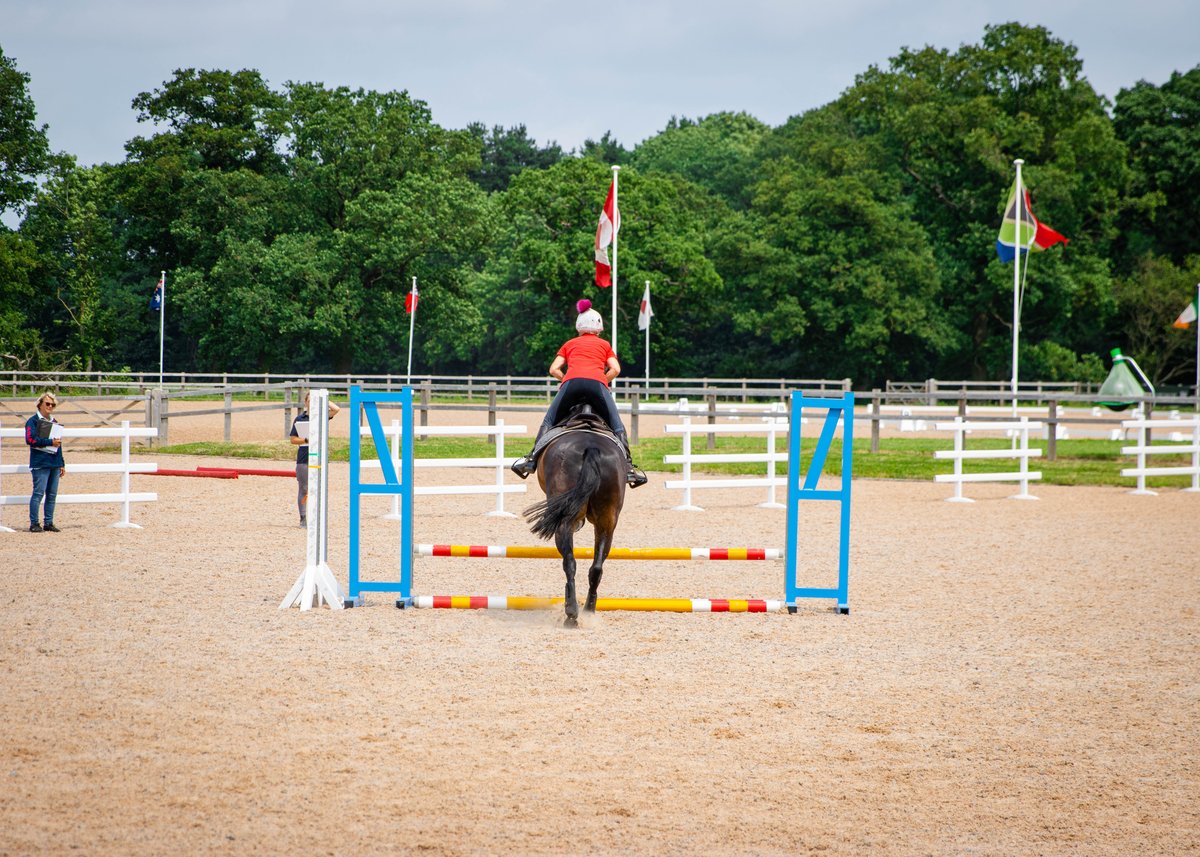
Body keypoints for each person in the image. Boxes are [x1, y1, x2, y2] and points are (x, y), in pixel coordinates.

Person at [511, 299, 647, 487]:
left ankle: (531, 460)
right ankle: (630, 468)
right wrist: (602, 381)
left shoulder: (570, 344)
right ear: (598, 328)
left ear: (578, 327)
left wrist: (567, 378)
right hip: (597, 384)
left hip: (571, 383)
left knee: (549, 421)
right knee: (616, 425)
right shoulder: (605, 345)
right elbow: (615, 369)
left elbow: (553, 369)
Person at [289, 391, 341, 527]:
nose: (312, 403)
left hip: (319, 457)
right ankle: (303, 517)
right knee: (304, 488)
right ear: (305, 402)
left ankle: (317, 516)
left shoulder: (322, 416)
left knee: (319, 488)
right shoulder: (299, 419)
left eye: (314, 401)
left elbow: (336, 409)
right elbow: (293, 439)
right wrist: (306, 439)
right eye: (310, 401)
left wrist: (322, 398)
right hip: (304, 456)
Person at [25, 392, 65, 533]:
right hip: (40, 462)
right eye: (47, 403)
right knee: (38, 493)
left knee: (52, 494)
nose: (50, 406)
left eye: (52, 404)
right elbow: (30, 440)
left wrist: (61, 463)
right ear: (40, 404)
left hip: (53, 462)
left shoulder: (54, 422)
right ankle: (34, 523)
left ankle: (48, 522)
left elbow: (58, 444)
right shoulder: (33, 421)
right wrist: (50, 442)